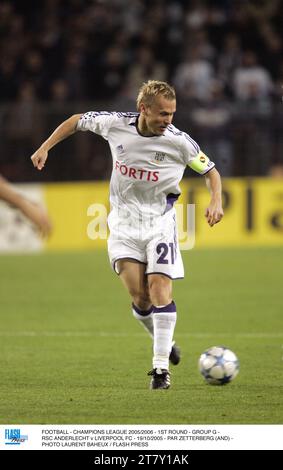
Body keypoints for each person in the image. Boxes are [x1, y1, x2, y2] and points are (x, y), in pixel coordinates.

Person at [30, 80, 224, 390]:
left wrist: (216, 199)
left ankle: (160, 370)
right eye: (162, 114)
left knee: (160, 288)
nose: (168, 120)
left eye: (172, 114)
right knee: (140, 298)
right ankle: (165, 341)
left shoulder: (180, 142)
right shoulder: (115, 125)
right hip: (123, 225)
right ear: (143, 109)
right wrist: (45, 147)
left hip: (160, 223)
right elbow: (76, 121)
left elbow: (210, 171)